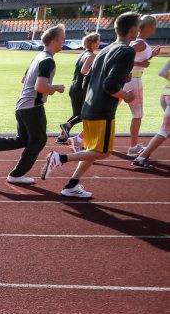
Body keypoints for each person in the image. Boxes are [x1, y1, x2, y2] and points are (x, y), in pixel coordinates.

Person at [41, 12, 141, 198]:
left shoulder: (104, 50)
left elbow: (89, 81)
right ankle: (60, 158)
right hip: (102, 110)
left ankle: (72, 185)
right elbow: (110, 85)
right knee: (102, 152)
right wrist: (126, 95)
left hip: (89, 106)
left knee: (91, 151)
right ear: (134, 30)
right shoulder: (127, 51)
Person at [0, 24, 66, 184]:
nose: (64, 42)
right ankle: (16, 175)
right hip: (32, 107)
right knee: (38, 141)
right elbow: (40, 87)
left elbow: (24, 80)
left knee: (23, 140)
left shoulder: (38, 57)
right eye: (62, 39)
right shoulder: (48, 61)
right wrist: (56, 88)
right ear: (54, 40)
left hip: (22, 105)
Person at [124, 15, 161, 156]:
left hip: (126, 80)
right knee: (137, 115)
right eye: (155, 26)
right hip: (134, 81)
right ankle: (133, 147)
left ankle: (79, 138)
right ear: (150, 26)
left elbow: (137, 57)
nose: (155, 29)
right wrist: (140, 64)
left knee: (108, 110)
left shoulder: (142, 43)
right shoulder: (139, 43)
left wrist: (152, 55)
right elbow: (123, 55)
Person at [57, 32, 100, 146]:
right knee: (87, 114)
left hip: (74, 87)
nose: (99, 43)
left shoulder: (82, 54)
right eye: (98, 41)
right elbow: (84, 71)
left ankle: (62, 136)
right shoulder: (91, 56)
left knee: (77, 114)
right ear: (93, 43)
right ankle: (67, 126)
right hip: (82, 88)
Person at [132, 59, 170, 169]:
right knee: (165, 130)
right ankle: (141, 158)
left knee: (167, 130)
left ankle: (146, 150)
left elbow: (162, 72)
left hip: (166, 94)